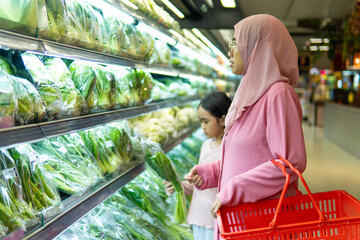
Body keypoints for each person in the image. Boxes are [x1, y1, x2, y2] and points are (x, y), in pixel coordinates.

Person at [184, 14, 307, 240]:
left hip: (263, 222)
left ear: (258, 46)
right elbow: (247, 157)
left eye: (236, 42)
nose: (231, 50)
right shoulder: (247, 92)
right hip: (241, 220)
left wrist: (235, 188)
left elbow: (290, 163)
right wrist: (210, 172)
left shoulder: (278, 94)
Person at [164, 91, 232, 240]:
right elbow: (200, 187)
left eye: (205, 121)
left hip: (215, 221)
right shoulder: (206, 145)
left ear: (223, 120)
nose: (202, 126)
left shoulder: (230, 148)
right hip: (198, 217)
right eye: (200, 121)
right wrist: (181, 186)